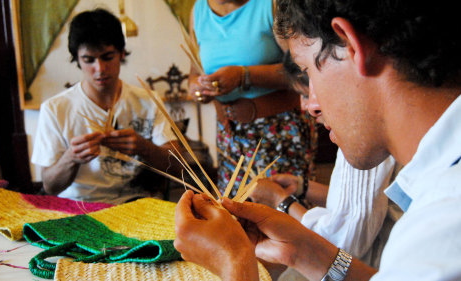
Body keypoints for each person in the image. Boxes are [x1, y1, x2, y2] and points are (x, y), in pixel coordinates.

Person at [174, 0, 461, 280]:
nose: (310, 105)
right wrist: (305, 251)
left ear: (351, 46)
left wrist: (234, 265)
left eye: (307, 71)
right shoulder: (436, 190)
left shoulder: (441, 227)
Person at [250, 52, 401, 274]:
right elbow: (360, 201)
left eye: (307, 92)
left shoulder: (362, 142)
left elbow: (342, 243)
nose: (308, 107)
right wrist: (303, 187)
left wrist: (282, 201)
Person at [32, 9, 178, 204]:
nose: (100, 69)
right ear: (77, 59)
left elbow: (178, 167)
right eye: (89, 60)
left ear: (121, 54)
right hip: (80, 207)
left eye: (108, 57)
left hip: (139, 204)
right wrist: (71, 158)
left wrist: (144, 148)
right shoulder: (55, 109)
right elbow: (50, 187)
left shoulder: (149, 101)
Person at [188, 0, 316, 195]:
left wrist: (244, 76)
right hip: (228, 135)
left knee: (282, 213)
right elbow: (193, 75)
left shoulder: (271, 5)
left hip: (278, 131)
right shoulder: (198, 11)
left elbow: (304, 68)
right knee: (236, 215)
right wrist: (199, 90)